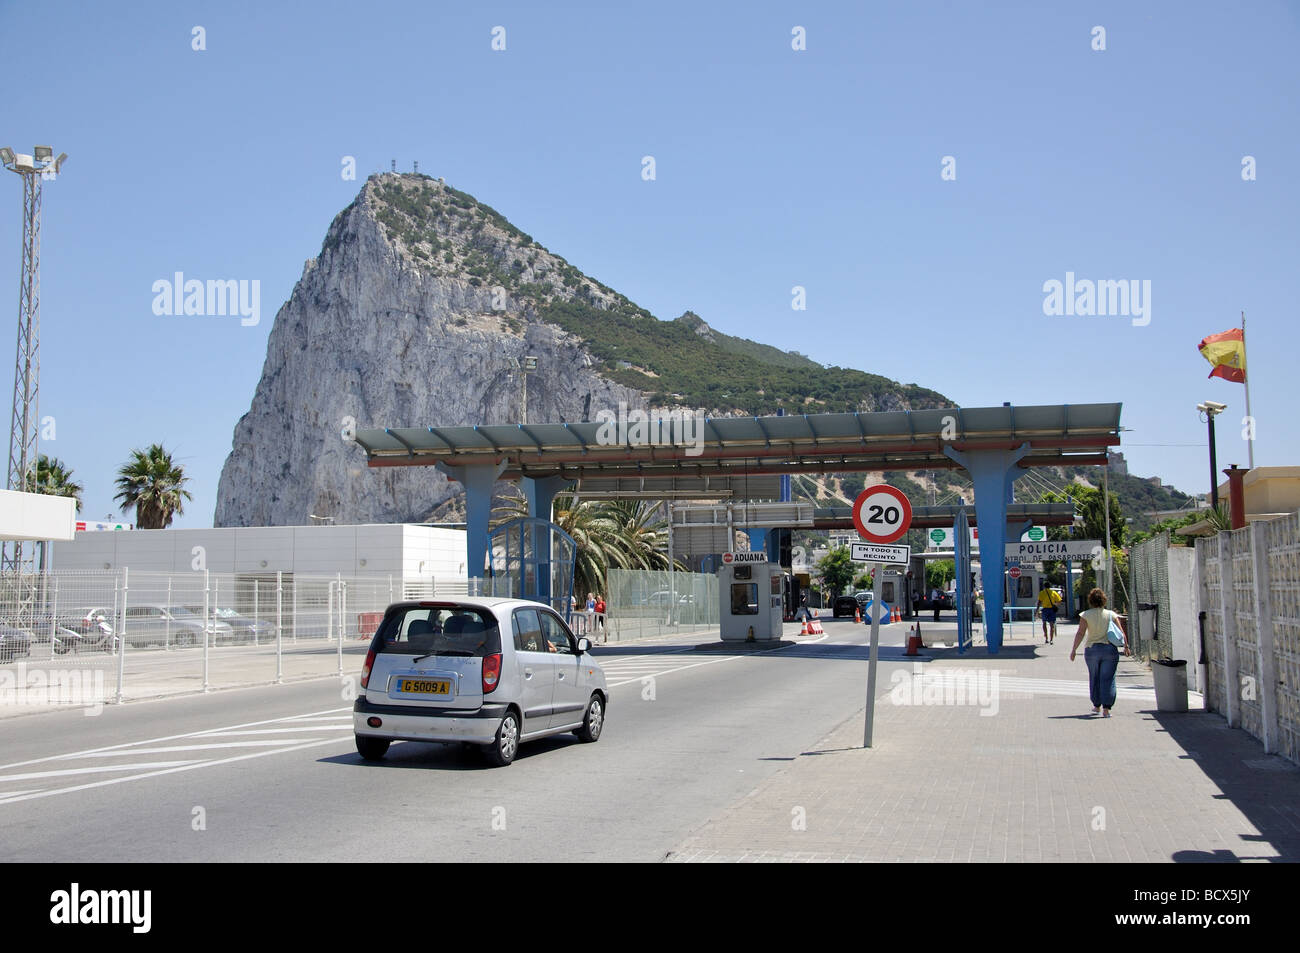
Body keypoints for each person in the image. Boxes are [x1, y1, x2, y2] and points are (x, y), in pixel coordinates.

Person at [1069, 588, 1129, 717]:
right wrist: (1126, 646)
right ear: (1103, 600)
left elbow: (1080, 633)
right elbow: (1121, 632)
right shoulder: (1111, 614)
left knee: (1094, 677)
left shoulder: (1085, 615)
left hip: (1092, 650)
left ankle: (1096, 705)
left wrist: (1074, 649)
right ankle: (1106, 709)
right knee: (1108, 678)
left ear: (1090, 600)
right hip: (1109, 649)